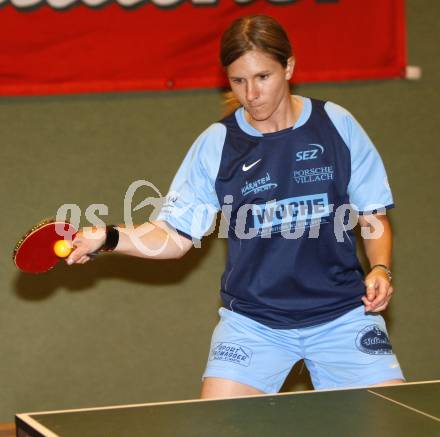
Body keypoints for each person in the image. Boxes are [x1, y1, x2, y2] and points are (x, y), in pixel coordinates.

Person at [67, 15, 405, 398]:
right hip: (254, 323)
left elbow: (372, 215)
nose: (251, 93)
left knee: (386, 422)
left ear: (289, 67)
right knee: (220, 425)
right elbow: (174, 237)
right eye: (238, 81)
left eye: (263, 77)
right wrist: (110, 237)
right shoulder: (218, 144)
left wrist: (380, 268)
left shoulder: (336, 124)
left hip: (342, 316)